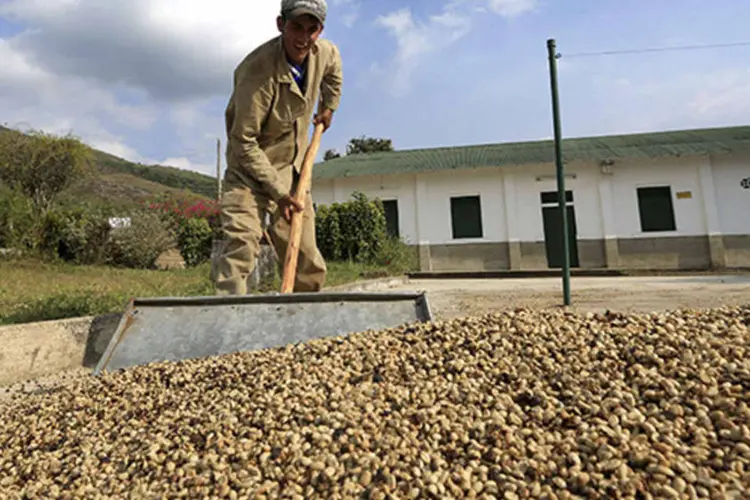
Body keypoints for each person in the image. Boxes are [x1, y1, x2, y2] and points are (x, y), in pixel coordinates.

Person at [213, 0, 343, 295]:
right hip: (249, 171)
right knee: (240, 247)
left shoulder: (325, 52)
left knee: (306, 255)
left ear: (320, 30)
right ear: (281, 24)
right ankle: (227, 326)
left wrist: (329, 107)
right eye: (296, 26)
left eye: (312, 29)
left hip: (292, 170)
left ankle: (305, 326)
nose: (303, 37)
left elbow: (334, 73)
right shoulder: (256, 73)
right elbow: (243, 141)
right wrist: (278, 194)